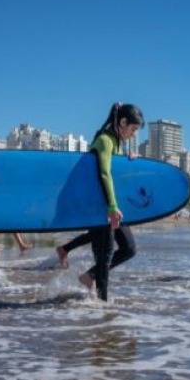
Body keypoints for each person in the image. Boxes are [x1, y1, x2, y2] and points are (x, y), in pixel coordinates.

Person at [75, 102, 143, 301]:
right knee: (106, 256)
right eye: (133, 129)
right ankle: (103, 308)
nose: (134, 134)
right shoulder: (105, 140)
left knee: (129, 248)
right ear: (122, 122)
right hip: (99, 205)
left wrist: (127, 161)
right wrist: (112, 207)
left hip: (109, 205)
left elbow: (115, 172)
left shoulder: (116, 143)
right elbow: (104, 174)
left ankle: (89, 277)